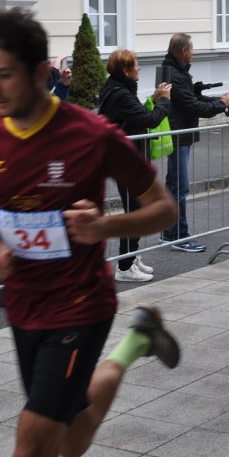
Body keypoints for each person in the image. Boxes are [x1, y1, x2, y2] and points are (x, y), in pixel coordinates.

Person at [0, 9, 180, 457]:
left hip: (80, 303)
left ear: (40, 72)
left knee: (32, 443)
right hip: (23, 304)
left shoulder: (90, 134)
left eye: (3, 75)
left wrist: (104, 227)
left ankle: (129, 338)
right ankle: (137, 341)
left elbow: (164, 208)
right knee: (71, 443)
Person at [160, 33, 229, 252]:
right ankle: (179, 237)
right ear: (184, 51)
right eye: (192, 49)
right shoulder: (175, 75)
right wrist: (221, 103)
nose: (194, 52)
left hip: (179, 135)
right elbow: (193, 106)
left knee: (174, 186)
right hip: (178, 136)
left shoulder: (176, 72)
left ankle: (170, 233)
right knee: (179, 187)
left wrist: (221, 101)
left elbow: (194, 99)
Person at [98, 49, 173, 282]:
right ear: (126, 70)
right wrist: (164, 102)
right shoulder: (120, 93)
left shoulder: (119, 89)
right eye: (136, 65)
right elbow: (148, 119)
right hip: (126, 160)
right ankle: (124, 266)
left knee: (137, 208)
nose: (139, 68)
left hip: (128, 158)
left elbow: (135, 115)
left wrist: (155, 98)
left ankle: (131, 256)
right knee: (134, 211)